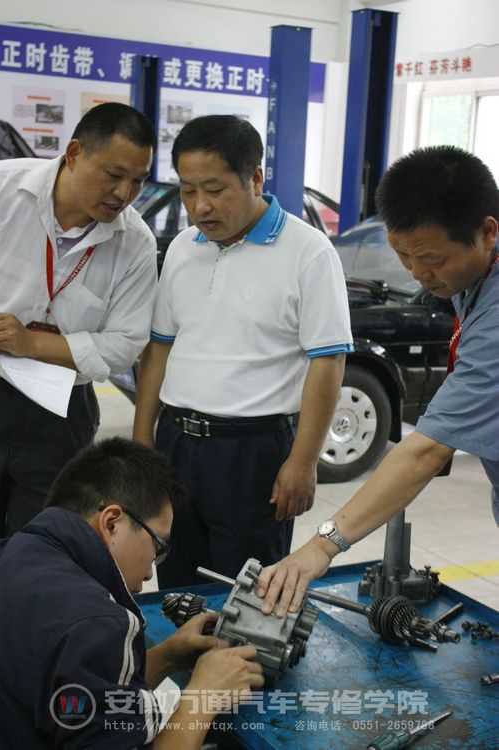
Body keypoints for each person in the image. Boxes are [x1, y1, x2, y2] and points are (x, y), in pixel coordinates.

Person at [257, 144, 499, 616]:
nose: (419, 274)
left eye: (432, 259)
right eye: (403, 256)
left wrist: (322, 545)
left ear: (487, 232)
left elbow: (426, 451)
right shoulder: (473, 276)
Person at [133, 114, 353, 587]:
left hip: (252, 454)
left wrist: (303, 461)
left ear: (255, 178)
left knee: (245, 594)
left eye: (215, 189)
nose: (200, 206)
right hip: (175, 442)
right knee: (177, 585)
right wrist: (142, 439)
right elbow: (160, 349)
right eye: (187, 190)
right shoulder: (183, 248)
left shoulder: (309, 251)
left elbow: (328, 362)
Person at [0, 437, 263, 749]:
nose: (151, 572)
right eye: (158, 546)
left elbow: (78, 702)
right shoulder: (98, 624)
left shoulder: (13, 553)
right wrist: (204, 696)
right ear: (112, 523)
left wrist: (168, 656)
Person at [0, 102, 159, 536]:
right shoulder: (5, 190)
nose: (124, 193)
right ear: (74, 154)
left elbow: (123, 345)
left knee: (42, 542)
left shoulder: (135, 243)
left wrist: (33, 344)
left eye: (138, 181)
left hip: (61, 409)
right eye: (114, 174)